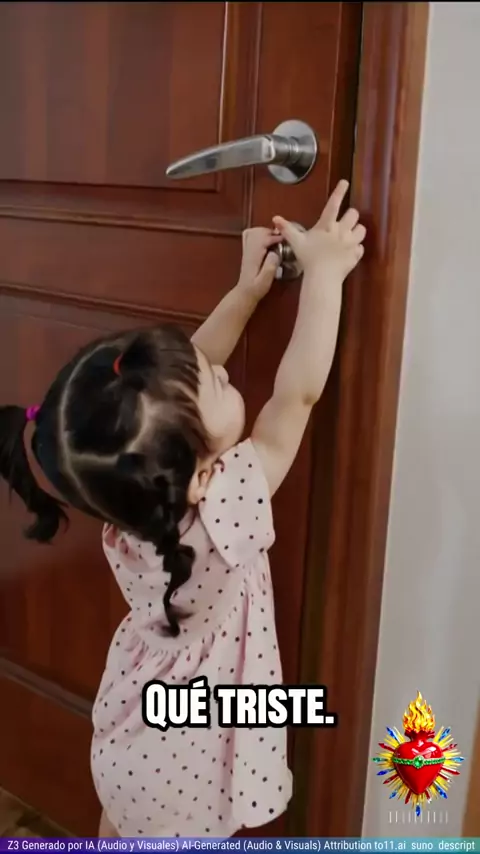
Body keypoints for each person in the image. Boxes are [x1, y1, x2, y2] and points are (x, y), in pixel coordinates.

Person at [0, 180, 365, 838]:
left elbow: (177, 397)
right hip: (191, 753)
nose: (220, 370)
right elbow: (297, 398)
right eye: (216, 383)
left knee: (124, 826)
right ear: (198, 475)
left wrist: (245, 293)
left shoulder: (132, 497)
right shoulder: (226, 508)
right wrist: (326, 275)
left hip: (135, 736)